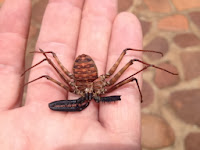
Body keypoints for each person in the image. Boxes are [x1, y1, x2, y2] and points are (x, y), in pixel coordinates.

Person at [0, 0, 142, 149]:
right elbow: (48, 66)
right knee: (50, 61)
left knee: (128, 61)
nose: (89, 93)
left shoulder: (95, 85)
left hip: (85, 76)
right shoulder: (74, 84)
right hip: (80, 75)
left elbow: (130, 71)